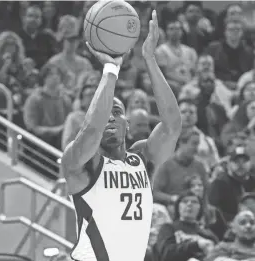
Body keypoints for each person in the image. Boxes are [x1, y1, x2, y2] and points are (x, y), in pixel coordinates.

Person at [61, 11, 182, 261]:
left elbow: (172, 125)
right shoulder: (80, 161)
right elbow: (92, 129)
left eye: (116, 112)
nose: (108, 118)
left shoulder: (141, 157)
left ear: (127, 124)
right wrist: (110, 69)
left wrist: (149, 58)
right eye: (103, 113)